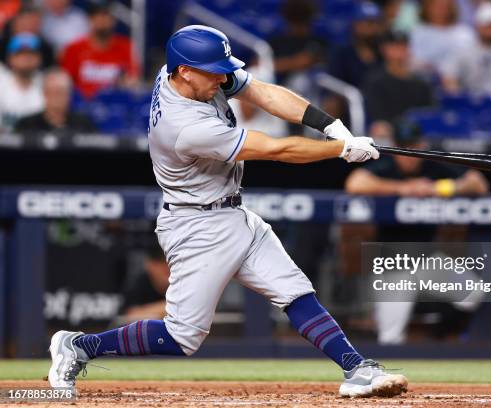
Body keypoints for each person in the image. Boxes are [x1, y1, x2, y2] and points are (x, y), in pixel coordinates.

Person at [47, 25, 408, 398]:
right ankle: (79, 346)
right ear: (184, 71)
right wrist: (340, 151)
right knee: (181, 336)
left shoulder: (183, 72)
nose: (222, 76)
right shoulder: (184, 126)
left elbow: (261, 91)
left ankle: (356, 368)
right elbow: (274, 150)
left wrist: (331, 127)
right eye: (213, 70)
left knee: (295, 292)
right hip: (196, 224)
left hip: (232, 212)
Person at [345, 118, 489, 344]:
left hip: (427, 259)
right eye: (403, 147)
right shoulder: (387, 166)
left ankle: (436, 337)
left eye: (412, 146)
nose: (408, 153)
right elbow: (355, 183)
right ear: (395, 145)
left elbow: (478, 183)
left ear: (421, 145)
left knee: (473, 292)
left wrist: (439, 188)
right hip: (392, 263)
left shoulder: (432, 166)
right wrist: (403, 188)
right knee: (390, 338)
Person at [362, 30, 434, 143]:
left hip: (418, 137)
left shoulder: (422, 83)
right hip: (390, 137)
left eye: (403, 46)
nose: (399, 51)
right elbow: (378, 119)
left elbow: (430, 114)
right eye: (394, 47)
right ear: (384, 49)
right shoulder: (375, 81)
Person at [60, 3, 139, 99]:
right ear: (89, 20)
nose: (101, 21)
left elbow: (133, 79)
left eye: (105, 15)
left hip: (114, 104)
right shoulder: (74, 49)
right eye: (96, 16)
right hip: (83, 106)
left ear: (113, 20)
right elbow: (65, 83)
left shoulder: (126, 46)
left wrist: (126, 83)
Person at [14, 68, 96, 135]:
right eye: (54, 92)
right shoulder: (26, 125)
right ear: (45, 93)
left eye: (62, 92)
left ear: (70, 95)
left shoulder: (84, 125)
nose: (58, 97)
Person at [410, 0, 476, 76]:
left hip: (459, 79)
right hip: (424, 78)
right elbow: (413, 59)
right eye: (437, 6)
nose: (441, 10)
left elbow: (471, 61)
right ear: (427, 8)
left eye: (445, 6)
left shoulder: (465, 33)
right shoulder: (416, 32)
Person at [0, 33, 44, 132]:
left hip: (39, 143)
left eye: (31, 53)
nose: (26, 58)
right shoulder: (1, 83)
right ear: (10, 58)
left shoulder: (48, 84)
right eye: (20, 54)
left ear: (39, 58)